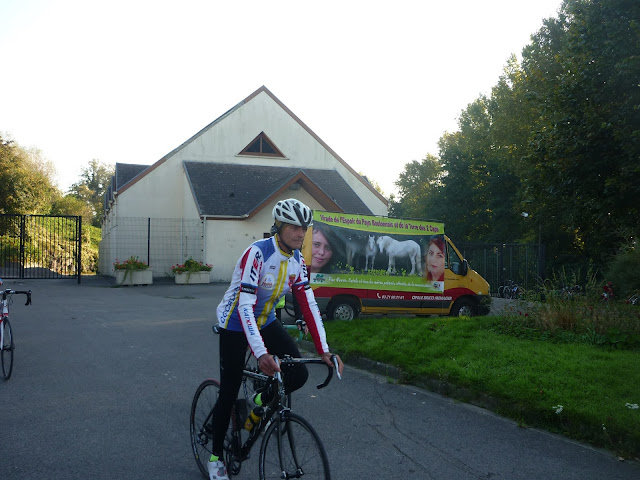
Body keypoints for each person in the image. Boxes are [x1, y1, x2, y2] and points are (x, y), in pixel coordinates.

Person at [207, 198, 344, 480]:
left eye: (304, 228)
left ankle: (257, 402)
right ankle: (216, 457)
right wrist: (261, 353)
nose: (301, 233)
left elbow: (308, 303)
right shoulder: (257, 253)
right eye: (294, 227)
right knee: (229, 392)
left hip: (265, 320)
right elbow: (245, 306)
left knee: (298, 374)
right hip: (235, 322)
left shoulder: (298, 261)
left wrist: (324, 350)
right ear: (279, 226)